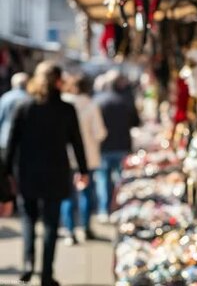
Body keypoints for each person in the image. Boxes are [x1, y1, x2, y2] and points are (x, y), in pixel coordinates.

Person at [6, 61, 88, 286]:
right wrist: (83, 170)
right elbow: (77, 143)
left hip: (27, 173)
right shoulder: (65, 109)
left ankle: (28, 265)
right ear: (59, 81)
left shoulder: (24, 107)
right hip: (55, 173)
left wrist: (5, 174)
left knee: (29, 221)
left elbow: (11, 143)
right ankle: (46, 274)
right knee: (51, 223)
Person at [60, 74, 107, 244]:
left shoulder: (64, 103)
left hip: (66, 157)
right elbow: (100, 133)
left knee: (68, 195)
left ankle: (70, 230)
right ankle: (85, 227)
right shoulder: (91, 105)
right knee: (87, 193)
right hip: (88, 157)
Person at [94, 70, 140, 222]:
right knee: (120, 180)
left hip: (105, 146)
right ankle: (117, 209)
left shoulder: (99, 101)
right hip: (121, 145)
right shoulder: (125, 101)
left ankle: (104, 210)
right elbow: (135, 122)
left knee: (104, 180)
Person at [0, 72, 29, 217]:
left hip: (5, 140)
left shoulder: (6, 98)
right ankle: (18, 200)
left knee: (7, 171)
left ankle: (10, 197)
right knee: (19, 172)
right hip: (24, 143)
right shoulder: (29, 99)